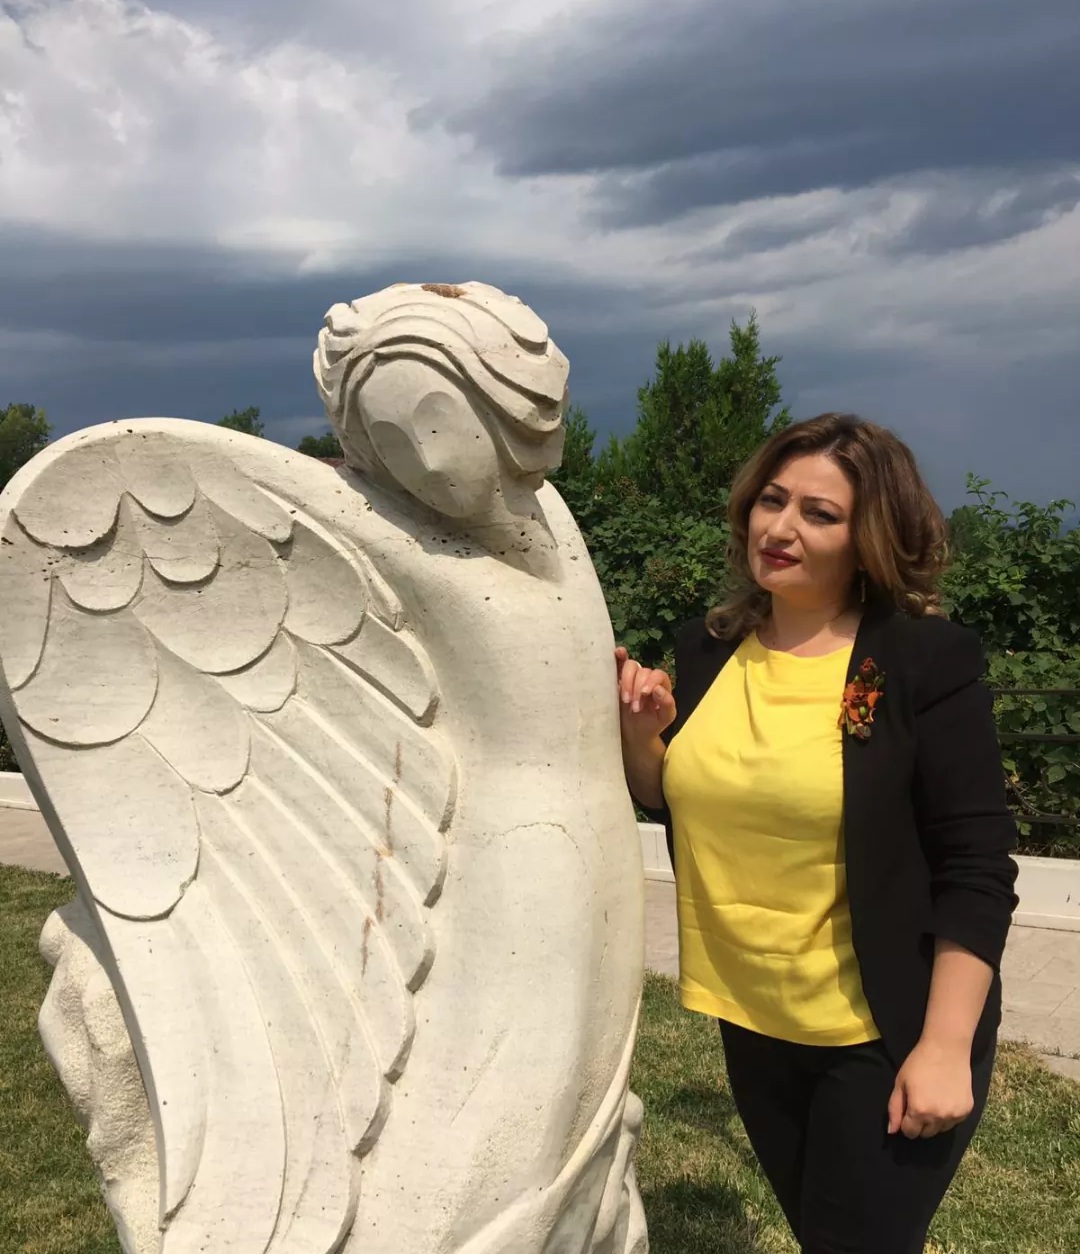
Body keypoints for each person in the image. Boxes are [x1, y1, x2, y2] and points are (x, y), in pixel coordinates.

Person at [616, 412, 1018, 1254]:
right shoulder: (709, 649)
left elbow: (976, 868)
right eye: (772, 500)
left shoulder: (922, 661)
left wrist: (945, 1047)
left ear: (869, 539)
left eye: (819, 513)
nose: (782, 527)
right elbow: (680, 802)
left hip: (884, 1029)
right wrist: (644, 737)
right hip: (753, 1019)